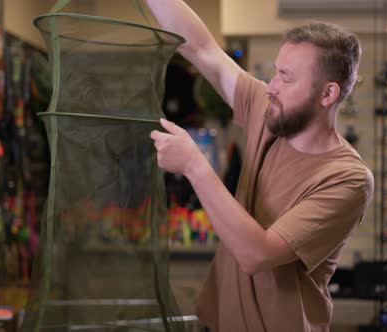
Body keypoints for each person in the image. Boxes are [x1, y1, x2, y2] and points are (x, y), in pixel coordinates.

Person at [146, 1, 374, 331]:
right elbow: (201, 48)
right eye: (275, 72)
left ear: (328, 94)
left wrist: (194, 165)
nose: (272, 86)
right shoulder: (269, 111)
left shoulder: (347, 179)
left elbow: (257, 254)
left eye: (286, 77)